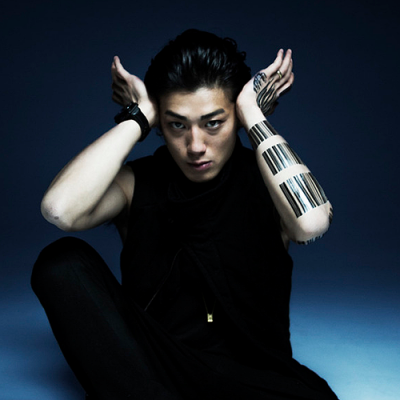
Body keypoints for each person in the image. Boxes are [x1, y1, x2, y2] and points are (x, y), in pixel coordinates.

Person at [32, 29, 337, 399]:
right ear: (161, 124)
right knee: (60, 261)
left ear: (236, 118)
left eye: (214, 123)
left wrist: (252, 112)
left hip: (252, 375)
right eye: (177, 124)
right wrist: (140, 115)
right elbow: (59, 210)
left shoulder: (269, 182)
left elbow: (311, 223)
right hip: (154, 371)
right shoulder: (137, 182)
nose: (195, 146)